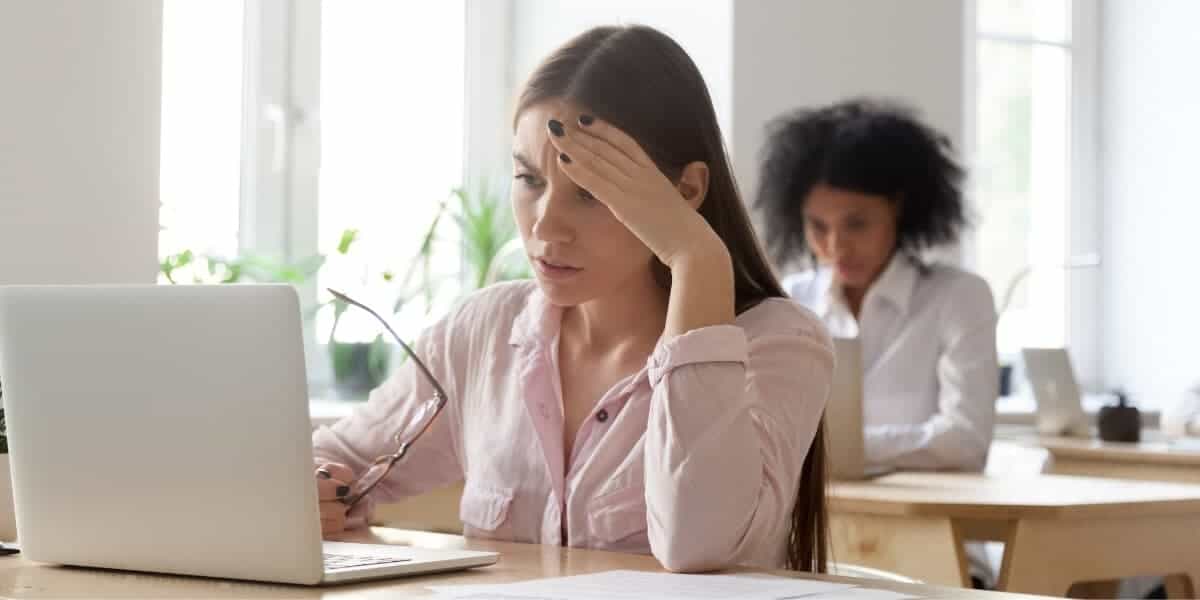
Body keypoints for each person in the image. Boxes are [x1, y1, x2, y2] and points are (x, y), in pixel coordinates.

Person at [312, 25, 833, 574]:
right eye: (528, 179)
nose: (546, 227)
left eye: (590, 192)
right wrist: (315, 493)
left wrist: (696, 259)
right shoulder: (482, 332)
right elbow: (338, 460)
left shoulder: (778, 343)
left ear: (684, 193)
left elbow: (696, 543)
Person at [755, 99, 998, 473]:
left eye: (857, 224)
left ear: (898, 210)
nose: (836, 246)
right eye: (818, 226)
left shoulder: (958, 298)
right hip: (813, 526)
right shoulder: (792, 299)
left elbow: (966, 442)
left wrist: (837, 450)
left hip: (928, 526)